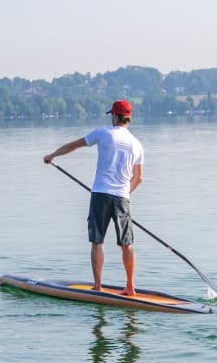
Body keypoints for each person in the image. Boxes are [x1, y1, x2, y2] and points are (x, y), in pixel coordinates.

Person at [43, 100, 144, 295]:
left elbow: (74, 145)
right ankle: (130, 287)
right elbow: (138, 178)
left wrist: (52, 155)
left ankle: (98, 286)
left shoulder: (103, 133)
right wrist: (124, 195)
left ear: (114, 115)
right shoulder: (137, 145)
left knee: (97, 241)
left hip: (100, 194)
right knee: (127, 243)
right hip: (122, 198)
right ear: (128, 118)